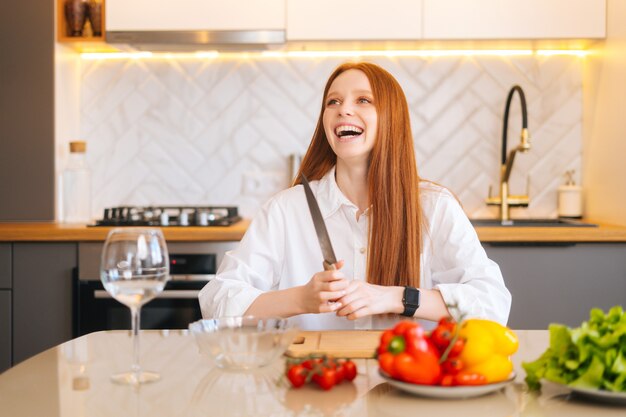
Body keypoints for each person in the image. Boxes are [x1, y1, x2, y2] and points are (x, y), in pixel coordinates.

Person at [199, 62, 511, 330]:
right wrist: (299, 298)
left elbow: (493, 304)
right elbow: (216, 301)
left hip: (407, 388)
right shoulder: (286, 209)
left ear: (392, 118)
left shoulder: (435, 207)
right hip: (310, 388)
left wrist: (396, 297)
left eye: (363, 100)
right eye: (332, 102)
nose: (343, 109)